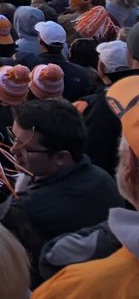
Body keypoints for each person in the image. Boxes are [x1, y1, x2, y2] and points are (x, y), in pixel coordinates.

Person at [12, 97, 124, 245]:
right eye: (14, 139)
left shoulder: (29, 209)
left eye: (24, 147)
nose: (13, 150)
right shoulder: (101, 177)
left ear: (61, 157)